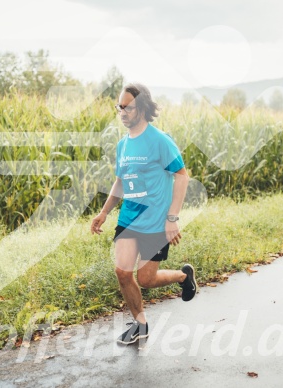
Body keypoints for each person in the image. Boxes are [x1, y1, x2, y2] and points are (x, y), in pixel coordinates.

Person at [90, 83, 197, 345]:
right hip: (129, 219)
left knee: (146, 279)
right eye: (120, 106)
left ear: (143, 108)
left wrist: (172, 217)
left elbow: (181, 177)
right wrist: (104, 212)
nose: (122, 111)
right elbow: (121, 181)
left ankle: (184, 276)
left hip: (155, 222)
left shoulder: (160, 141)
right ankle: (141, 324)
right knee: (123, 272)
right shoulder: (122, 146)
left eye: (127, 106)